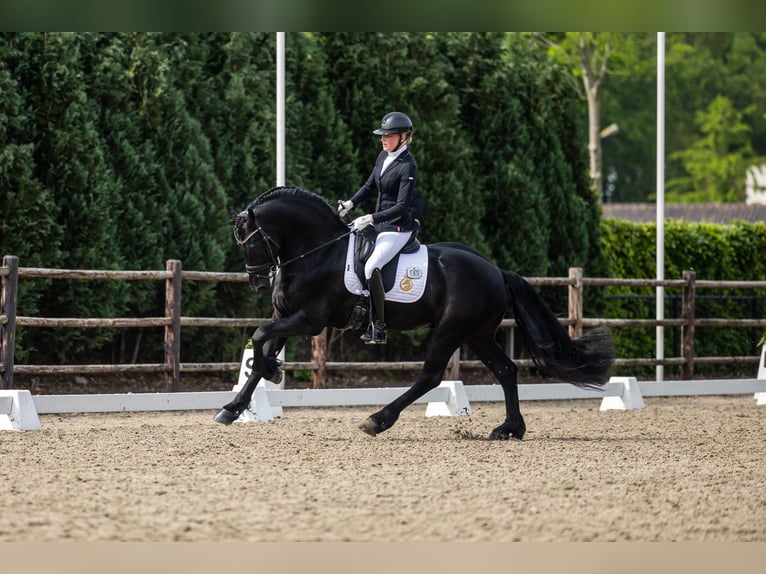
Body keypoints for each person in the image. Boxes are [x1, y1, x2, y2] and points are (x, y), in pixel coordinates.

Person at [338, 111, 422, 345]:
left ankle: (379, 326)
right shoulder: (382, 157)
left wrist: (370, 218)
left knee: (371, 266)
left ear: (404, 137)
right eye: (382, 135)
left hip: (396, 227)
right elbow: (368, 186)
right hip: (378, 223)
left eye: (389, 135)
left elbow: (401, 207)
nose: (383, 139)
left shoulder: (408, 166)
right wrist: (350, 203)